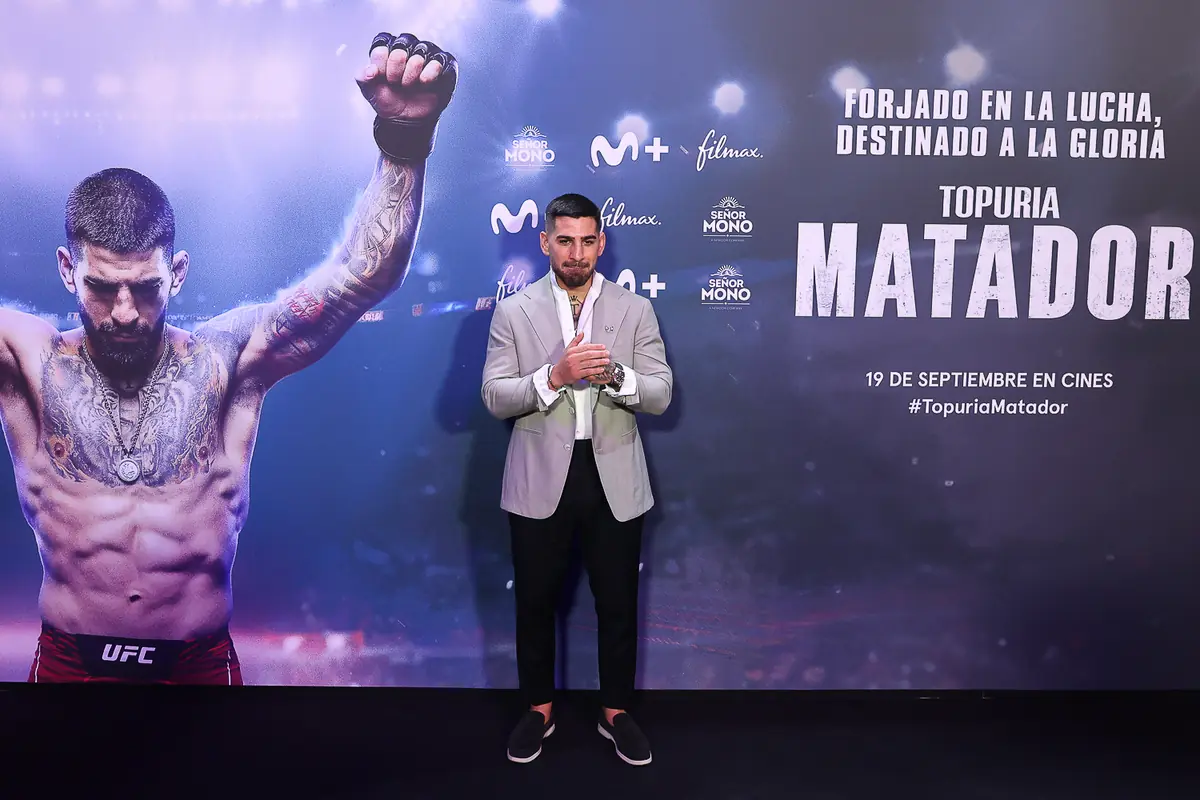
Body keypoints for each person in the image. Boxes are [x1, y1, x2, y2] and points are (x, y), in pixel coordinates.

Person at [0, 31, 457, 684]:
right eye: (103, 288)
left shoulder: (228, 360)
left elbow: (361, 275)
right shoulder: (24, 358)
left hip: (198, 666)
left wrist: (404, 141)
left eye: (146, 288)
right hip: (73, 666)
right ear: (68, 270)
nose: (125, 312)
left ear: (178, 274)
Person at [481, 193, 673, 766]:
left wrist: (614, 373)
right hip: (540, 476)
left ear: (601, 243)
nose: (577, 252)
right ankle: (537, 709)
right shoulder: (513, 312)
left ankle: (616, 712)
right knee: (535, 602)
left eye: (588, 241)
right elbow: (494, 397)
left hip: (612, 474)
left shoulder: (635, 310)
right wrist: (554, 376)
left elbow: (661, 395)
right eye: (565, 240)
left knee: (617, 602)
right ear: (545, 242)